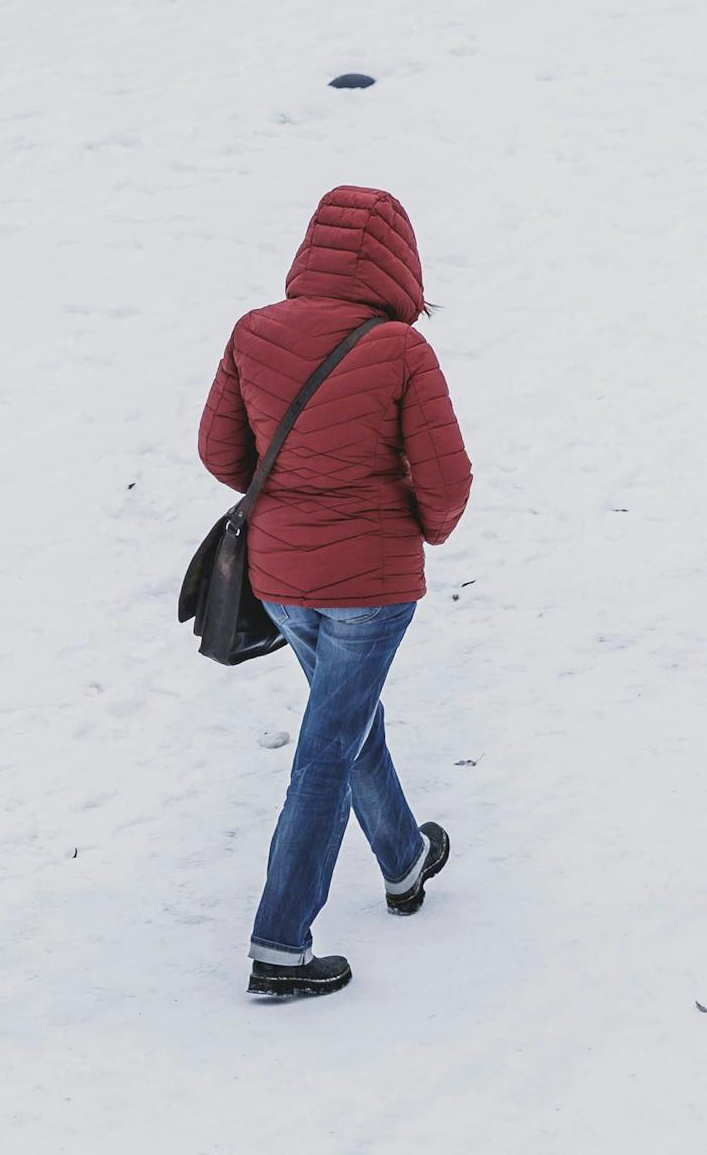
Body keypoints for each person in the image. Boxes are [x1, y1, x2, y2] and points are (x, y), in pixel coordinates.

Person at [198, 185, 473, 1000]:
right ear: (399, 259)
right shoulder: (400, 350)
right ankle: (280, 944)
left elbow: (220, 452)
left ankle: (403, 861)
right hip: (371, 586)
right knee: (328, 746)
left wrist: (287, 502)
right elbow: (446, 480)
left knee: (346, 719)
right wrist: (414, 527)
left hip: (281, 578)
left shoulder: (254, 332)